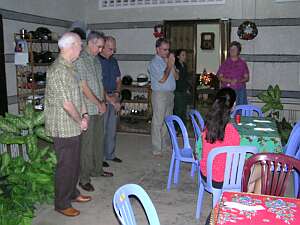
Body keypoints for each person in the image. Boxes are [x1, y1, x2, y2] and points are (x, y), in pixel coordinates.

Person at [44, 32, 91, 217]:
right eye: (80, 45)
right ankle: (62, 203)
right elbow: (66, 103)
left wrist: (85, 114)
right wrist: (81, 120)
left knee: (74, 164)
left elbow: (78, 96)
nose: (81, 48)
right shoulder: (58, 70)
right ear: (71, 46)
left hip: (74, 124)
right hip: (63, 126)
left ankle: (72, 193)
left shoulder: (71, 67)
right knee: (66, 166)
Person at [74, 31, 113, 193]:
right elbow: (84, 88)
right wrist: (98, 103)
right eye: (99, 46)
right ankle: (84, 179)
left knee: (99, 141)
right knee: (87, 146)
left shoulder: (96, 61)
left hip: (98, 107)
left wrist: (104, 101)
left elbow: (100, 84)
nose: (101, 50)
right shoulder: (80, 60)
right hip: (87, 110)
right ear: (90, 43)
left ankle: (97, 169)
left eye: (102, 47)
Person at [199, 87, 240, 188]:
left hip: (207, 176)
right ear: (233, 105)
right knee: (259, 168)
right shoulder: (232, 131)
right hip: (226, 180)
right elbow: (236, 157)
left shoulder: (208, 126)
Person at [148, 38, 179, 156]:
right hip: (159, 94)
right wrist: (170, 65)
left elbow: (176, 77)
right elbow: (162, 79)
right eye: (164, 49)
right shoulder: (153, 63)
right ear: (157, 49)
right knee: (158, 121)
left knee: (168, 121)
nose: (167, 52)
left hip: (170, 94)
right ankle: (157, 148)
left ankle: (165, 145)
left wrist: (171, 64)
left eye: (168, 49)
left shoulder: (168, 61)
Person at [98, 36, 122, 166]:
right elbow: (97, 84)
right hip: (102, 98)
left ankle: (110, 154)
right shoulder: (96, 62)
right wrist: (110, 100)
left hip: (114, 96)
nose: (112, 52)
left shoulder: (114, 61)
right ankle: (99, 158)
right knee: (102, 130)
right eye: (110, 49)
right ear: (102, 48)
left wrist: (117, 94)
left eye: (114, 49)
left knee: (112, 129)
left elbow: (118, 80)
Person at [217, 41, 249, 105]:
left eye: (234, 49)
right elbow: (219, 77)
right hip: (227, 90)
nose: (232, 50)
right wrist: (229, 80)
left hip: (240, 90)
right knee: (226, 108)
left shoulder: (242, 63)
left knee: (239, 109)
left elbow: (247, 78)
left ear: (238, 51)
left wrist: (238, 80)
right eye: (231, 49)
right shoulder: (225, 63)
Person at [173, 49, 191, 125]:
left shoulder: (185, 65)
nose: (185, 56)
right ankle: (176, 128)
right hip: (178, 90)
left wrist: (187, 88)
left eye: (185, 55)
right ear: (178, 56)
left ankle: (183, 128)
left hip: (184, 90)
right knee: (178, 110)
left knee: (184, 110)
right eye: (183, 55)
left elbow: (186, 79)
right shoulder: (176, 65)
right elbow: (177, 79)